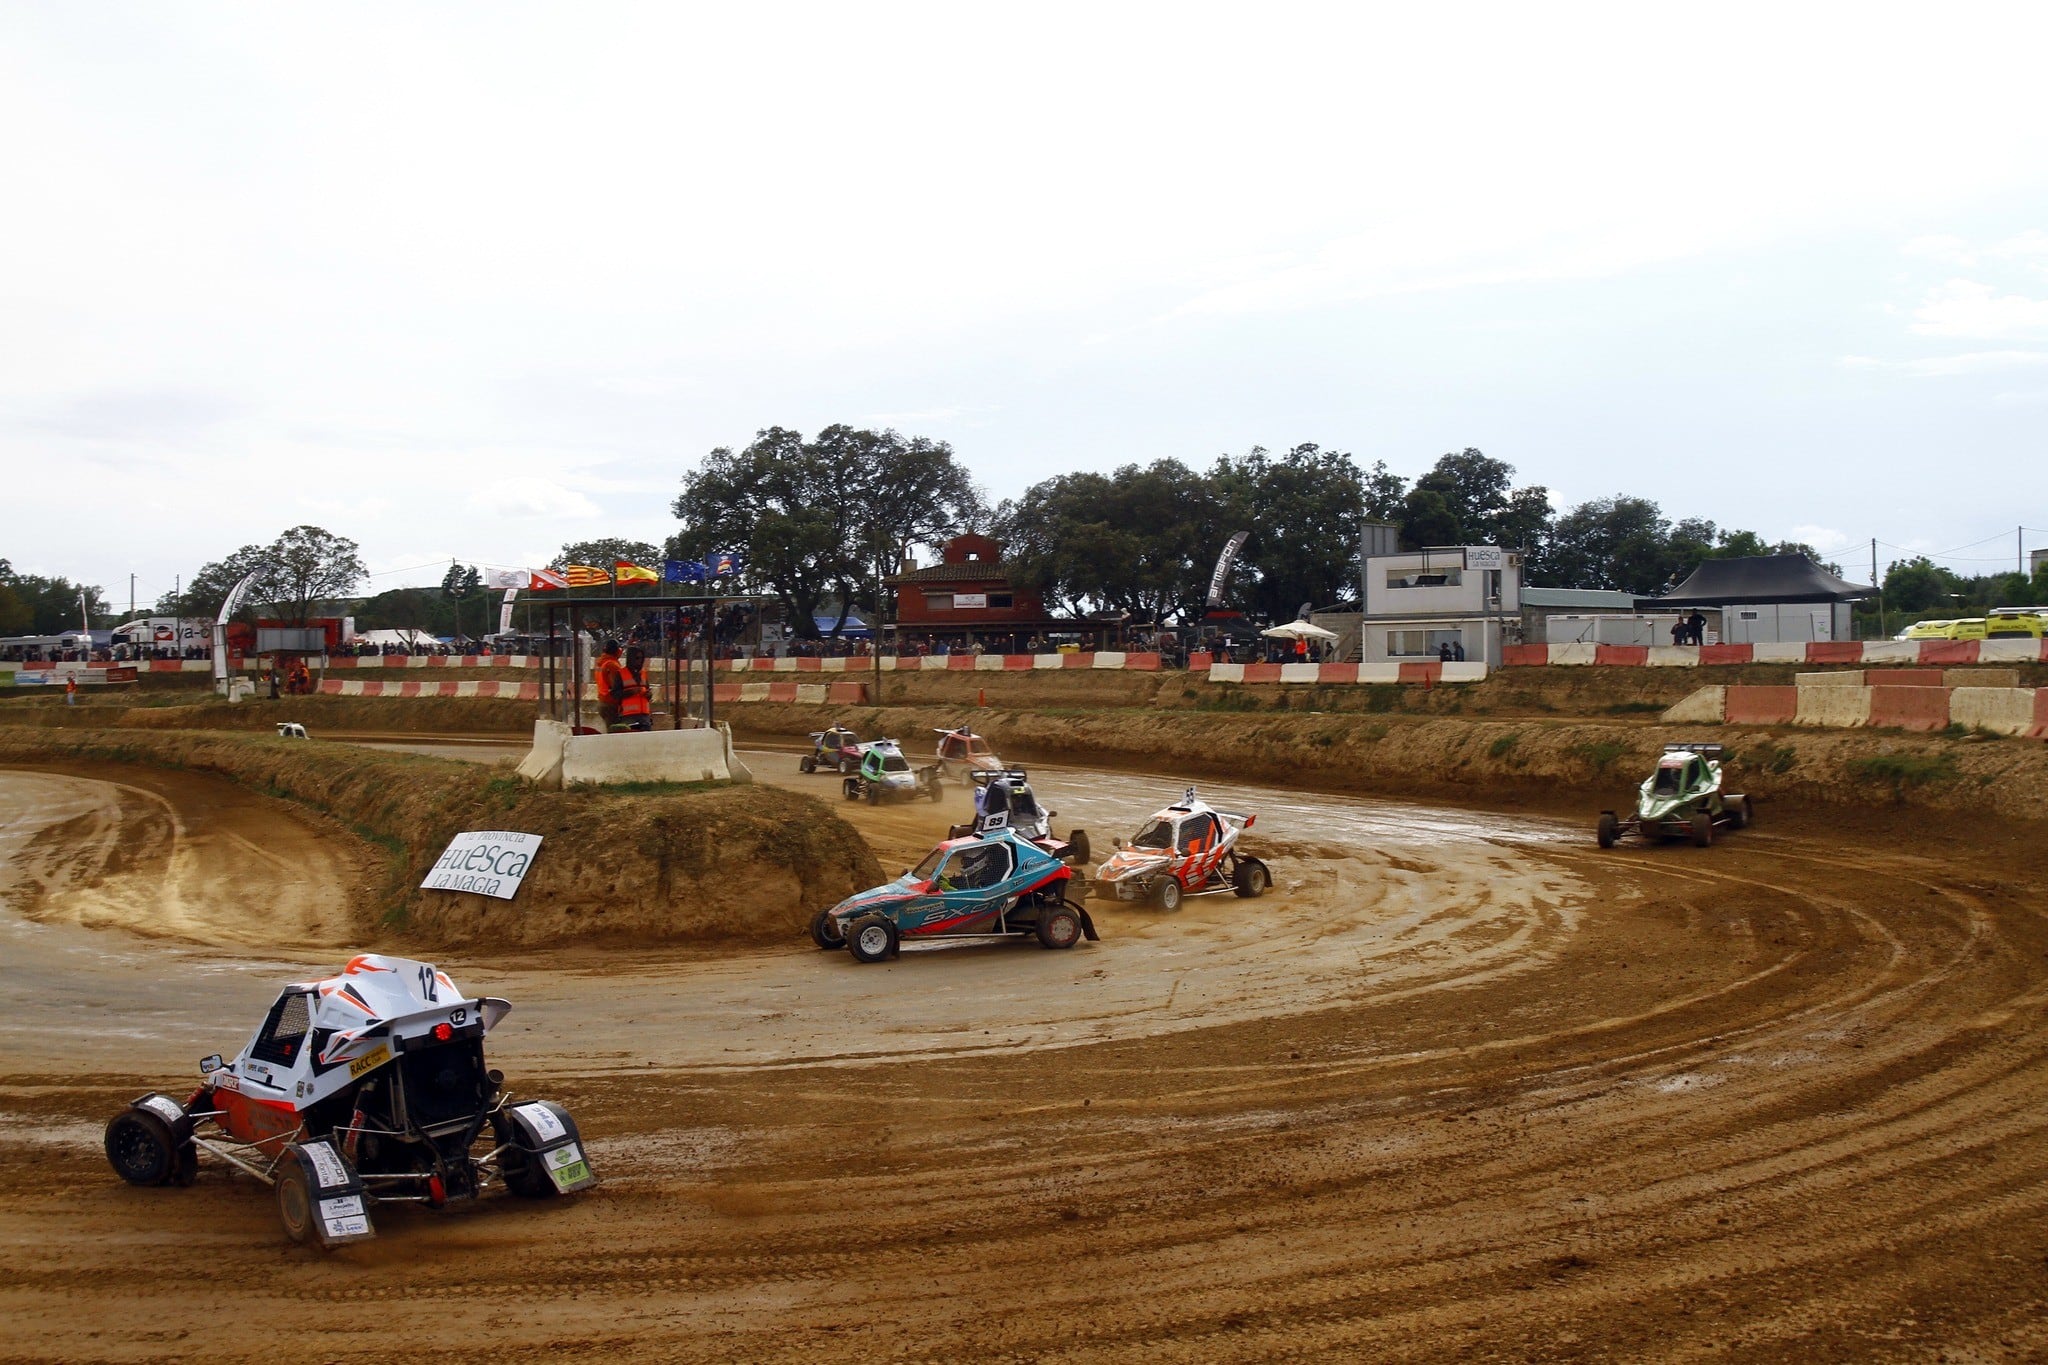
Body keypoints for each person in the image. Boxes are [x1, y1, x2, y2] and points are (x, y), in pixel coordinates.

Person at [615, 646, 653, 731]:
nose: (639, 661)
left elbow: (648, 691)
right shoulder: (621, 674)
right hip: (629, 716)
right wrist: (631, 692)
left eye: (641, 658)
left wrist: (649, 695)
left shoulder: (643, 673)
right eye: (637, 658)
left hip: (644, 716)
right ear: (631, 658)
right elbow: (615, 694)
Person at [594, 639, 626, 730]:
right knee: (614, 731)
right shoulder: (612, 665)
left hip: (602, 701)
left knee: (610, 728)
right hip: (611, 703)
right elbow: (616, 686)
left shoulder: (601, 663)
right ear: (617, 650)